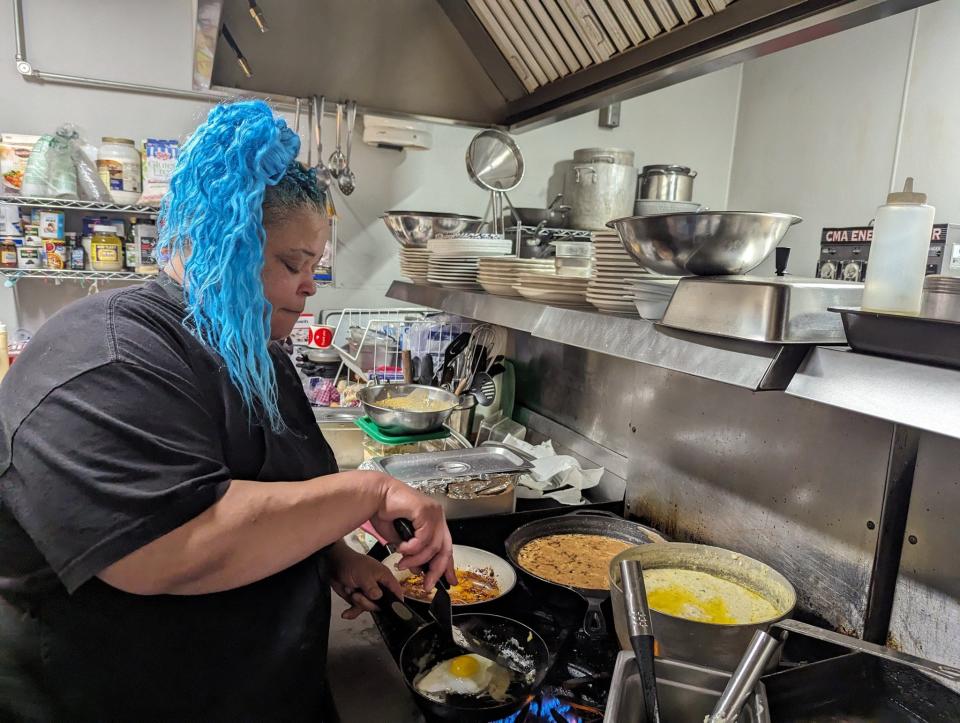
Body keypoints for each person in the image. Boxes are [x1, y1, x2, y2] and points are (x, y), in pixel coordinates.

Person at [0, 100, 455, 721]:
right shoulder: (107, 359)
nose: (309, 285)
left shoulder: (254, 351)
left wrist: (331, 553)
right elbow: (169, 546)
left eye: (315, 267)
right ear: (222, 245)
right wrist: (368, 494)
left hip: (250, 683)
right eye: (292, 264)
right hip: (122, 696)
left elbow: (276, 487)